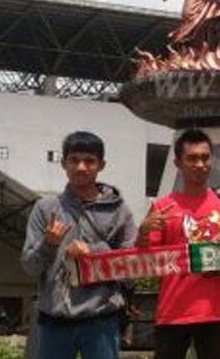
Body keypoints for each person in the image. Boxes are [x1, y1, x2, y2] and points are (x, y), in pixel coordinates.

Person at [20, 131, 137, 359]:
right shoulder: (45, 209)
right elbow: (29, 267)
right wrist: (48, 245)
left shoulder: (119, 211)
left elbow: (130, 271)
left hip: (101, 320)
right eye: (74, 160)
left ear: (101, 165)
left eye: (89, 161)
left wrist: (94, 252)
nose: (81, 167)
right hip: (54, 321)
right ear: (63, 163)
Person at [135, 129, 220, 359]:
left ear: (212, 160)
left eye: (205, 157)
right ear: (178, 163)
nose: (200, 164)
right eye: (192, 158)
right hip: (174, 310)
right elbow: (145, 260)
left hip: (217, 311)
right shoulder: (163, 208)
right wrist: (143, 232)